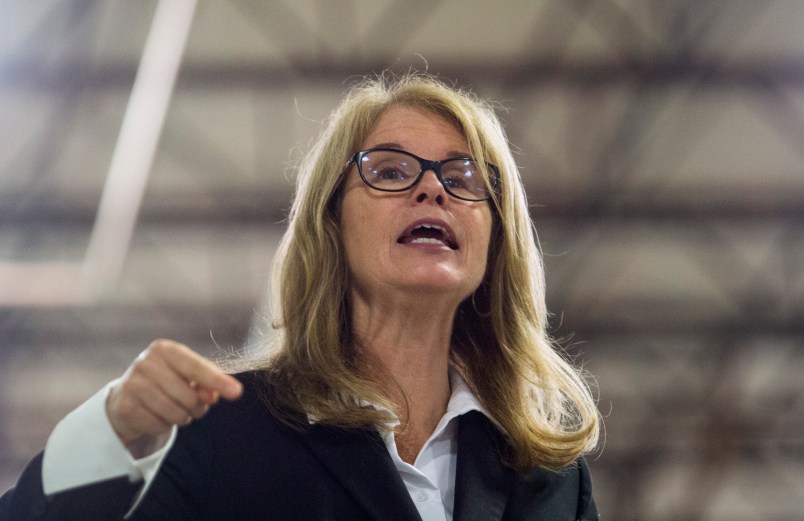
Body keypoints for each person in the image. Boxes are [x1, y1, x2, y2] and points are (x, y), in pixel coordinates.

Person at [0, 72, 600, 520]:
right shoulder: (221, 434)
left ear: (497, 239)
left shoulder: (550, 475)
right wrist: (108, 439)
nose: (431, 189)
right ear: (330, 224)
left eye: (464, 178)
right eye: (390, 172)